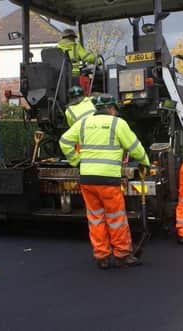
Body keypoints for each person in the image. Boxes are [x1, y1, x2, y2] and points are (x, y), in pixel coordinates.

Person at [59, 94, 151, 269]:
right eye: (115, 109)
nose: (115, 112)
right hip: (108, 179)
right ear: (110, 109)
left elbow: (64, 141)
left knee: (95, 218)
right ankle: (122, 254)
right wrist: (145, 162)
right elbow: (134, 148)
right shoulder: (118, 124)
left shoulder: (83, 123)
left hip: (87, 179)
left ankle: (102, 256)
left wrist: (76, 160)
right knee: (116, 218)